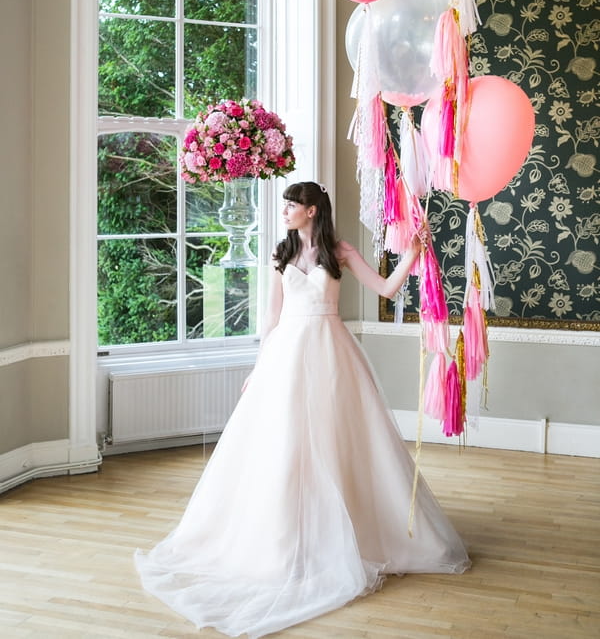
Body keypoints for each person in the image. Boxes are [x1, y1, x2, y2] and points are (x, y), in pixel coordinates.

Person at [135, 181, 470, 638]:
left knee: (339, 441)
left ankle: (348, 532)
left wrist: (412, 251)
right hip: (286, 357)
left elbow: (387, 289)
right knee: (284, 442)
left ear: (312, 210)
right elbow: (270, 318)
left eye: (292, 206)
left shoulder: (341, 251)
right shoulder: (281, 252)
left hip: (331, 352)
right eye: (287, 205)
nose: (286, 211)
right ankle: (282, 539)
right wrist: (259, 367)